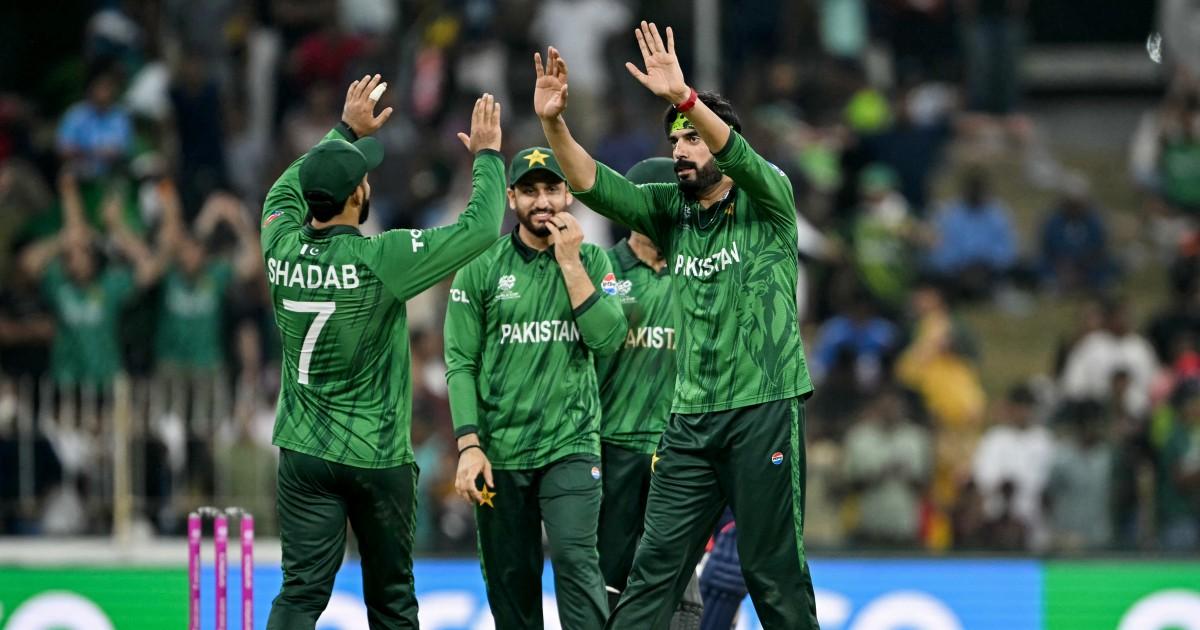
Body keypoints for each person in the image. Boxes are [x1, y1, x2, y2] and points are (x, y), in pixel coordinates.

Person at [535, 22, 820, 628]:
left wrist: (684, 98)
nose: (681, 150)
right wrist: (554, 124)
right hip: (689, 420)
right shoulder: (671, 211)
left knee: (771, 572)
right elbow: (590, 182)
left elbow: (741, 157)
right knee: (654, 571)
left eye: (692, 138)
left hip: (763, 406)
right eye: (674, 141)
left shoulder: (769, 198)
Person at [262, 78, 506, 629]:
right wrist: (489, 157)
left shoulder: (278, 243)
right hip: (376, 455)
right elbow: (481, 228)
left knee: (299, 593)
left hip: (303, 451)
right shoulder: (382, 257)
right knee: (392, 601)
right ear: (356, 197)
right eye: (363, 178)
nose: (369, 182)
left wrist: (343, 132)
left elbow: (284, 190)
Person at [443, 146, 628, 629]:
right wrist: (469, 445)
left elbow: (608, 339)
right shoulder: (481, 267)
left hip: (571, 445)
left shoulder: (594, 260)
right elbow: (460, 363)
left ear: (568, 194)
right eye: (529, 191)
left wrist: (570, 263)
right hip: (500, 453)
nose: (542, 201)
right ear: (511, 198)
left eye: (551, 189)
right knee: (511, 580)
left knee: (575, 560)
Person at [594, 157, 703, 626]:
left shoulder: (698, 270)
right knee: (607, 581)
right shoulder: (600, 268)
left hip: (677, 451)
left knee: (681, 588)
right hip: (612, 445)